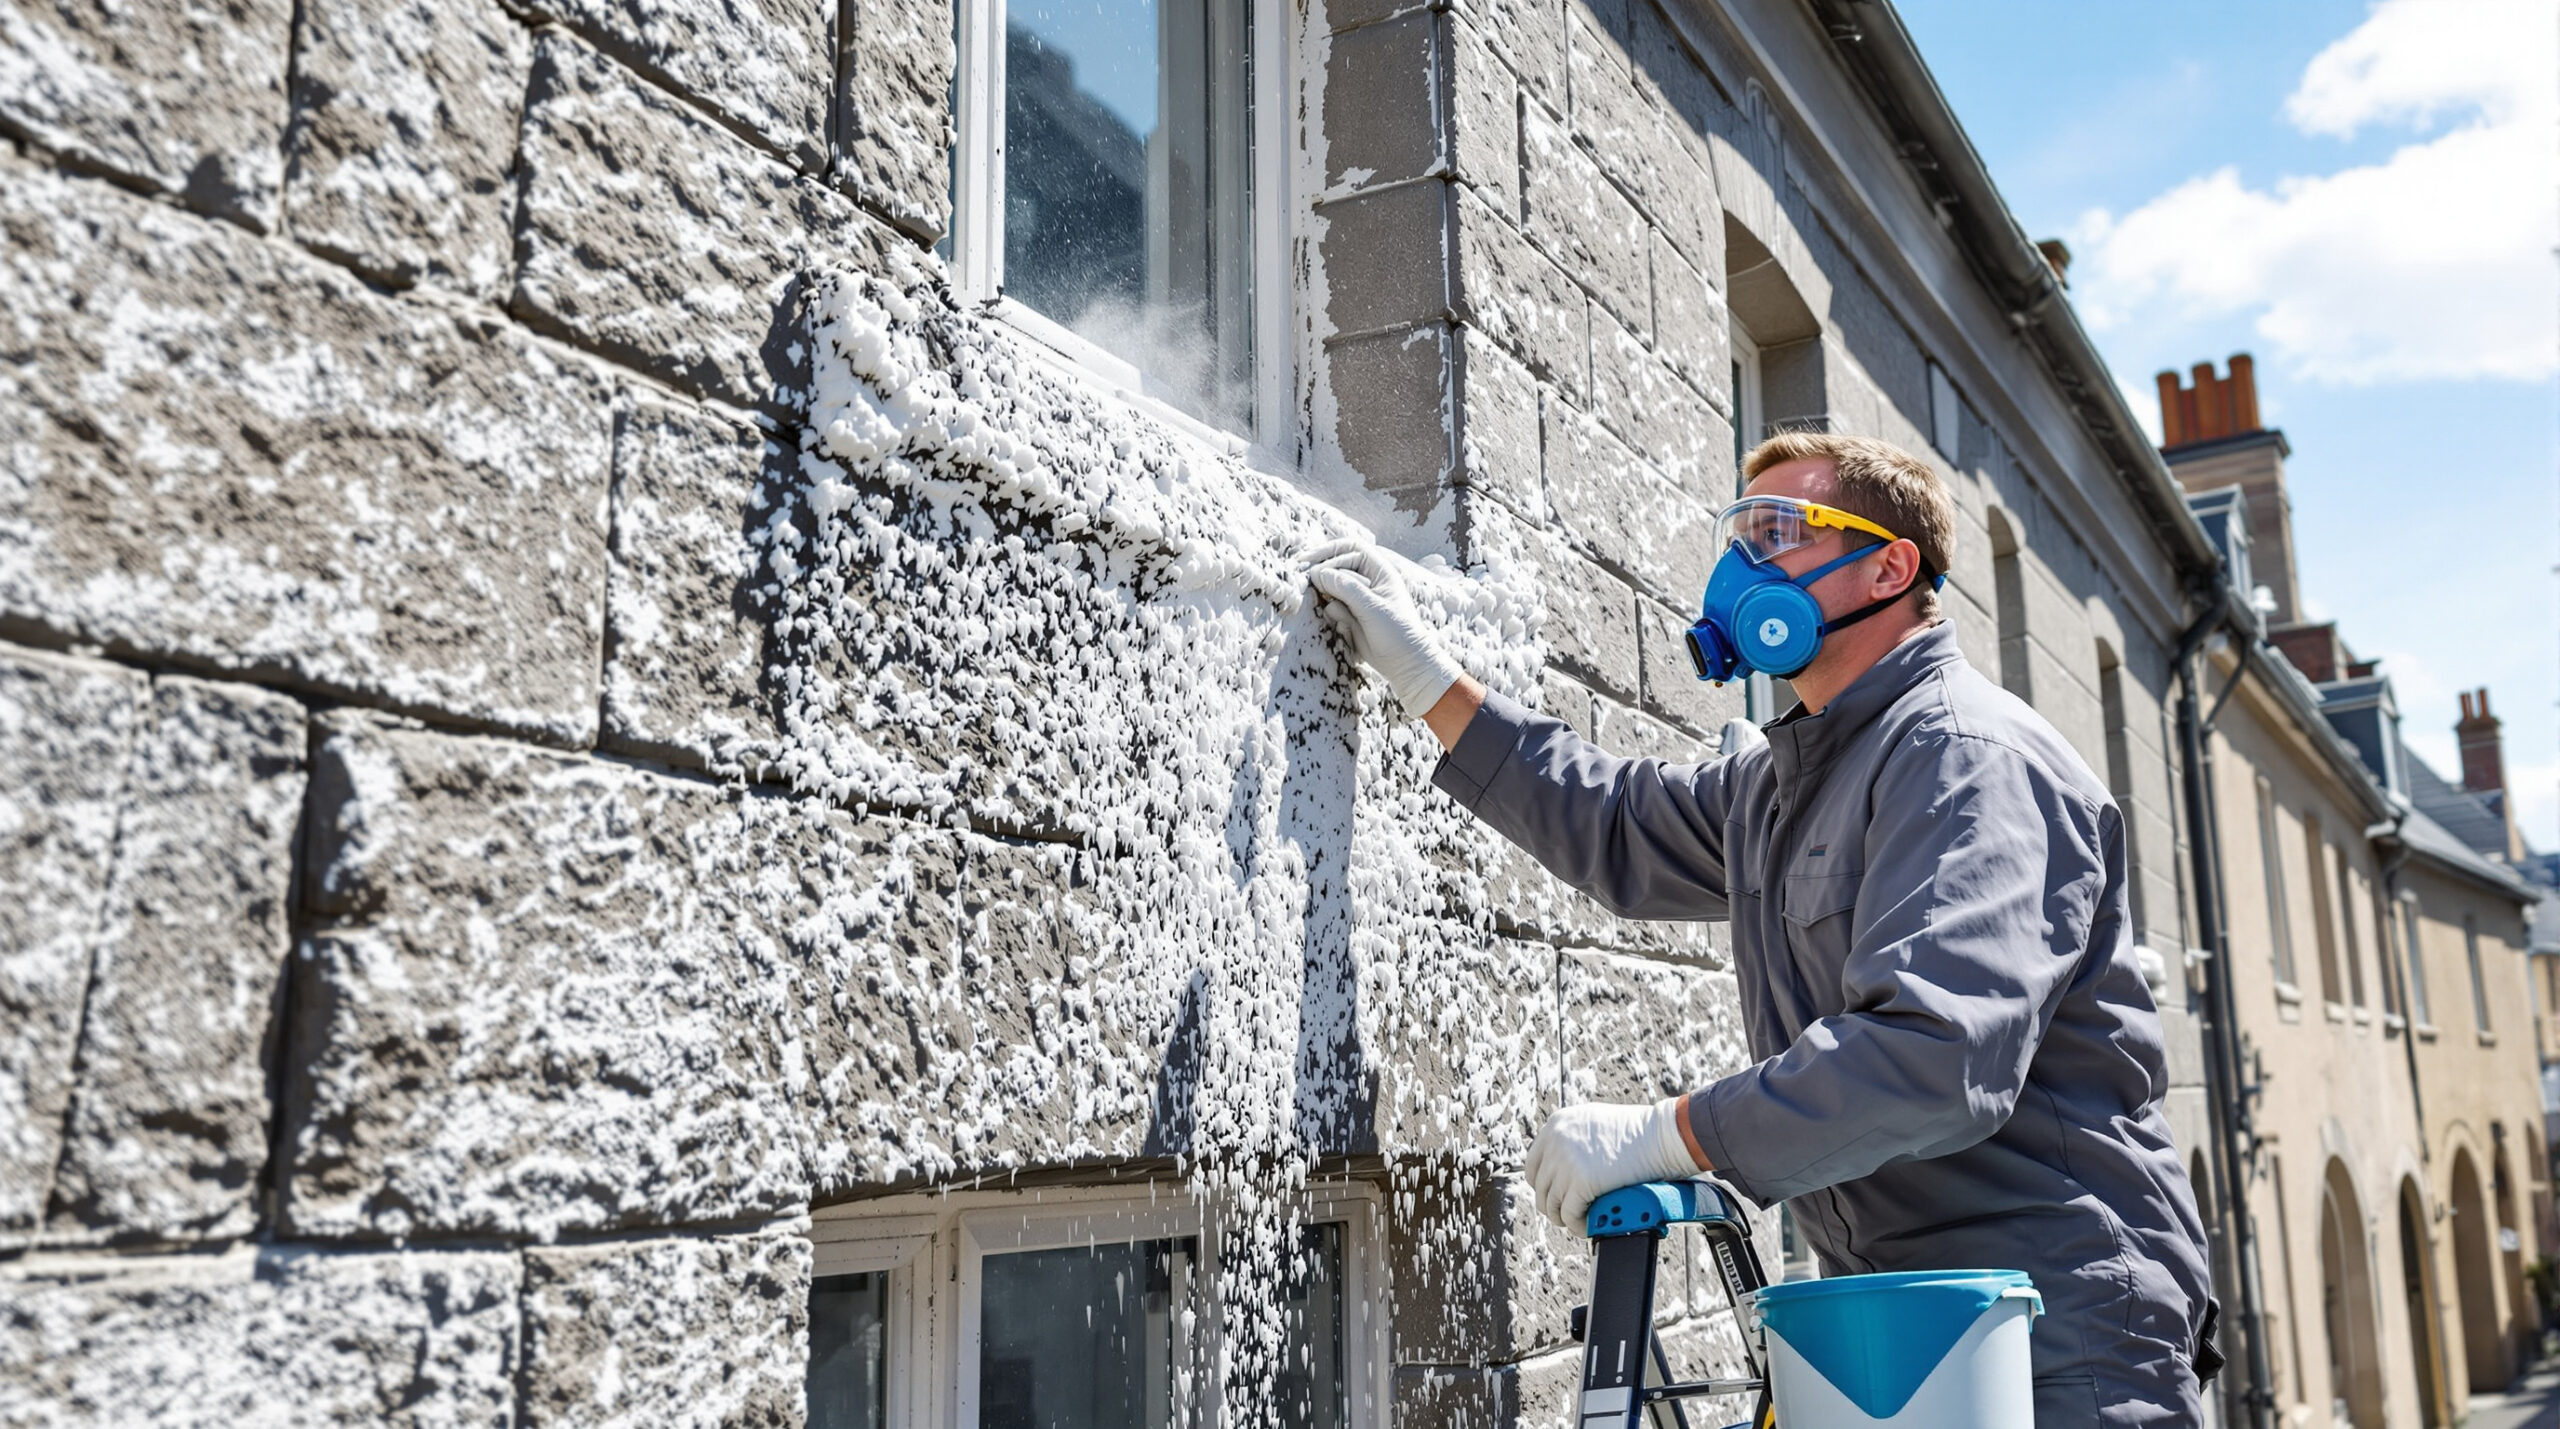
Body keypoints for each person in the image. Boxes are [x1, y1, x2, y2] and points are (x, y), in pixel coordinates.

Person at [1309, 432, 2214, 1426]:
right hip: (1896, 1332)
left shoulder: (1969, 761)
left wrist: (1672, 1134)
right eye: (1738, 533)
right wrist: (1426, 679)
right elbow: (1612, 821)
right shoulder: (1784, 784)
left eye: (1776, 534)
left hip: (2054, 1342)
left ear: (1888, 565)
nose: (1737, 569)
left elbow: (1934, 1055)